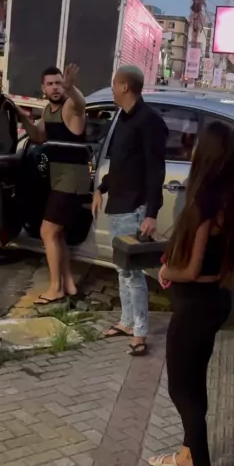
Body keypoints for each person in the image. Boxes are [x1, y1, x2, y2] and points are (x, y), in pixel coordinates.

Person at [149, 120, 234, 466]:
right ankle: (188, 455)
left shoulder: (204, 204)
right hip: (214, 302)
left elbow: (189, 270)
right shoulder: (230, 200)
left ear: (204, 154)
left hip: (195, 307)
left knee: (180, 389)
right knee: (194, 381)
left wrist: (165, 272)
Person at [92, 65, 168, 356]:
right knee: (122, 269)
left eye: (114, 83)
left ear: (125, 86)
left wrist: (151, 213)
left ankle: (140, 332)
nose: (112, 88)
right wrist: (101, 188)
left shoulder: (148, 121)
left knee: (133, 273)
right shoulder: (123, 118)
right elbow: (121, 164)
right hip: (118, 203)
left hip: (134, 206)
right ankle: (126, 321)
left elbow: (155, 169)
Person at [15, 65, 89, 305]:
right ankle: (68, 285)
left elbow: (81, 105)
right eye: (51, 84)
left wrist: (71, 88)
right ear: (43, 88)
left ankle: (55, 288)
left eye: (58, 83)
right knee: (57, 234)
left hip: (72, 179)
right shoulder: (48, 110)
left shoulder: (69, 106)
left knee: (47, 231)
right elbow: (38, 136)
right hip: (58, 178)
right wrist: (22, 117)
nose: (55, 88)